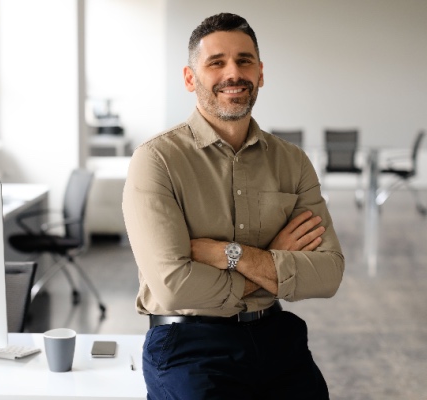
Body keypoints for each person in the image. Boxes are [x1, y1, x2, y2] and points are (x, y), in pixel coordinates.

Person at [122, 12, 344, 400]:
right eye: (216, 62)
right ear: (191, 78)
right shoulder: (156, 160)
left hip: (275, 335)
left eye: (244, 61)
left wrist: (229, 254)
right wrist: (274, 262)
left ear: (260, 73)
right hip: (187, 345)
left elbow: (328, 273)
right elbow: (173, 286)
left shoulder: (292, 161)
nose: (233, 73)